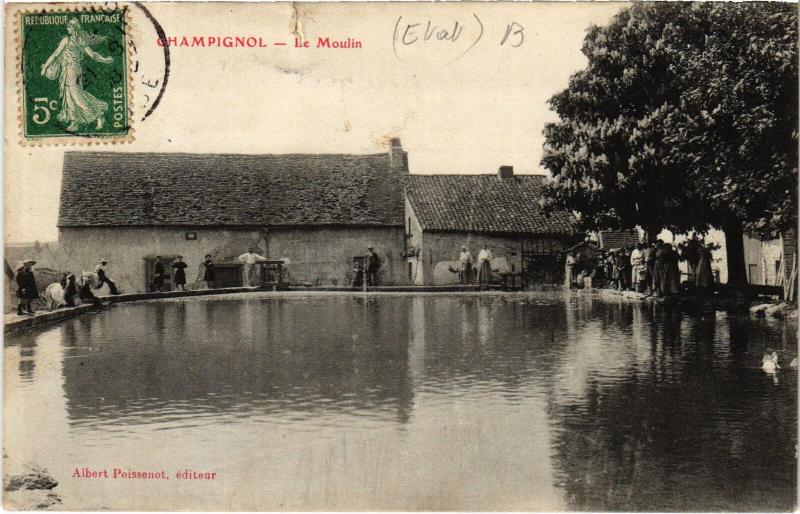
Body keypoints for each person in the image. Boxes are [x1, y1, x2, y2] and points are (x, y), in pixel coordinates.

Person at [40, 18, 114, 132]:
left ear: (74, 28)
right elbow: (56, 55)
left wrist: (104, 60)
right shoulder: (75, 40)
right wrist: (104, 60)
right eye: (67, 26)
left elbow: (92, 54)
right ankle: (74, 122)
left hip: (72, 70)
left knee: (75, 95)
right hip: (69, 69)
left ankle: (98, 114)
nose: (67, 28)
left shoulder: (71, 40)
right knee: (70, 94)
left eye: (69, 26)